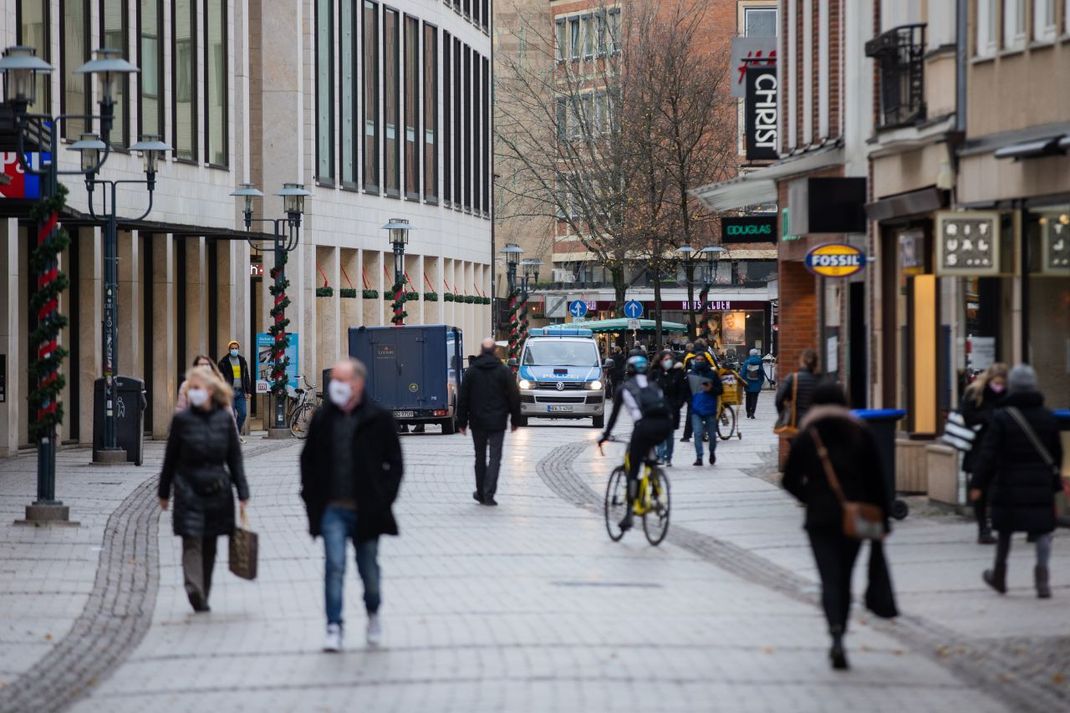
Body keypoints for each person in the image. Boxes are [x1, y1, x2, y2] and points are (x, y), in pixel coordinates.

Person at [782, 382, 894, 671]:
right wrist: (882, 517)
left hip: (820, 519)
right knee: (844, 577)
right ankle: (841, 631)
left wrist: (811, 499)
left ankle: (834, 633)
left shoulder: (808, 434)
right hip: (853, 517)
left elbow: (789, 480)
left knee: (829, 578)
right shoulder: (860, 432)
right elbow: (877, 480)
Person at [300, 358, 403, 651]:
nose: (337, 386)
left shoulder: (378, 418)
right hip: (333, 507)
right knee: (334, 565)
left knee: (368, 570)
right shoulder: (323, 418)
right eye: (335, 381)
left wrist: (384, 499)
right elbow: (308, 461)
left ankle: (373, 613)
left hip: (367, 509)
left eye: (342, 380)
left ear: (357, 384)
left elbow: (394, 464)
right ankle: (334, 625)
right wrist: (311, 499)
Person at [158, 366, 249, 613]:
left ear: (210, 391)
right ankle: (193, 587)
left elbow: (235, 458)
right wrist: (164, 492)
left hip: (217, 490)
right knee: (192, 540)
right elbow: (170, 458)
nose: (192, 394)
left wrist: (243, 493)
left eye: (196, 389)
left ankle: (202, 593)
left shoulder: (223, 419)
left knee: (209, 544)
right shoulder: (181, 421)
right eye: (189, 390)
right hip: (188, 489)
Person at [972, 364, 1063, 599]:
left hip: (1009, 482)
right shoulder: (1047, 417)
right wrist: (1054, 479)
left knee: (1004, 531)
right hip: (1040, 482)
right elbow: (1057, 453)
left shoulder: (1003, 418)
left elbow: (988, 453)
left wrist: (978, 483)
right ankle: (1042, 580)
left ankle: (999, 576)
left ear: (1012, 387)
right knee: (1043, 531)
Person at [598, 355, 674, 532]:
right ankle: (655, 483)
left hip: (644, 427)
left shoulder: (625, 388)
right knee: (649, 453)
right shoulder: (654, 385)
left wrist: (605, 435)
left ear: (629, 370)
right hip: (665, 426)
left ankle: (630, 514)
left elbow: (614, 416)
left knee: (632, 467)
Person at [456, 337, 522, 506]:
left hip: (477, 422)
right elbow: (514, 396)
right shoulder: (503, 371)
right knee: (495, 457)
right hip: (498, 422)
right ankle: (488, 493)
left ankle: (480, 491)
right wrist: (515, 419)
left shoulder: (471, 372)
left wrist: (461, 422)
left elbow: (463, 398)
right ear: (494, 350)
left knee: (479, 457)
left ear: (480, 350)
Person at [958, 363, 1008, 544]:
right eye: (996, 382)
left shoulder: (1008, 395)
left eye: (1002, 383)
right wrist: (987, 416)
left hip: (1001, 450)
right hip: (979, 449)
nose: (999, 386)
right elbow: (967, 416)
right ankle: (982, 529)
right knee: (981, 489)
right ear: (989, 380)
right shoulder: (975, 393)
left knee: (997, 488)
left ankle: (994, 523)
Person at [651, 349, 687, 467]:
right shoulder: (655, 373)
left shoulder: (677, 373)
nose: (667, 361)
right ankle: (660, 456)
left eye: (669, 359)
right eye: (665, 359)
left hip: (672, 408)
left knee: (669, 435)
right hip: (658, 408)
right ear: (660, 361)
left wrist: (678, 404)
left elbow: (682, 391)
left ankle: (668, 457)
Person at [218, 340, 252, 440]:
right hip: (229, 392)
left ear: (238, 349)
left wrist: (248, 391)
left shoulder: (242, 361)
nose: (234, 350)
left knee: (243, 413)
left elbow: (246, 377)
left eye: (236, 348)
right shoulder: (223, 362)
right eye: (232, 348)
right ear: (229, 350)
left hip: (241, 391)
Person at [775, 348, 820, 426]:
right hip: (817, 423)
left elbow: (779, 399)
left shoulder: (793, 378)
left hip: (797, 423)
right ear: (816, 363)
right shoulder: (822, 380)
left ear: (802, 361)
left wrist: (783, 416)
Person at [690, 370, 723, 466]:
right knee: (697, 433)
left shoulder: (712, 374)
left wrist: (711, 389)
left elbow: (720, 390)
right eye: (698, 359)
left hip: (710, 409)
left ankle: (712, 452)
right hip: (696, 410)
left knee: (712, 435)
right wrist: (689, 402)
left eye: (701, 359)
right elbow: (685, 391)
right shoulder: (693, 374)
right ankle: (699, 457)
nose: (699, 361)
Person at [741, 348, 766, 419]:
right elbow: (761, 373)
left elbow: (743, 373)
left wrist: (742, 381)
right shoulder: (759, 362)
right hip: (757, 383)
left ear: (750, 354)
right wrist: (761, 382)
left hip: (748, 383)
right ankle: (752, 413)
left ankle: (748, 411)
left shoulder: (746, 362)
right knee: (754, 399)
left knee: (748, 398)